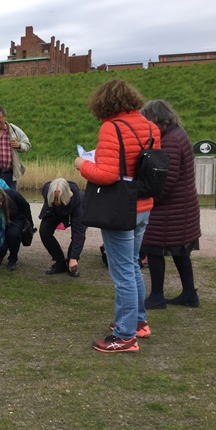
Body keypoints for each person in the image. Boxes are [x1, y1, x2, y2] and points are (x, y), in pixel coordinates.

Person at [74, 79, 161, 353]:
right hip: (143, 205)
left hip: (120, 208)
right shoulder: (151, 126)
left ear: (104, 102)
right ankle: (138, 322)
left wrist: (83, 164)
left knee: (122, 273)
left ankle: (124, 336)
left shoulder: (111, 127)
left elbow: (107, 175)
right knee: (132, 266)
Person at [140, 99, 201, 309]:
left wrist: (149, 199)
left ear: (158, 120)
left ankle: (157, 296)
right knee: (180, 251)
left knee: (153, 248)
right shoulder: (178, 134)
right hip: (182, 207)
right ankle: (189, 294)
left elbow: (166, 180)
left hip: (170, 209)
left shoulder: (170, 141)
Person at [39, 178, 86, 278]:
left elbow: (79, 233)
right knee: (44, 231)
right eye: (54, 198)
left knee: (77, 235)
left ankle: (71, 263)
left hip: (72, 209)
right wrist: (53, 202)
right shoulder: (46, 191)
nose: (56, 201)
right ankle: (60, 262)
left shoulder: (78, 200)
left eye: (58, 198)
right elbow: (52, 201)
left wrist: (74, 257)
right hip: (52, 210)